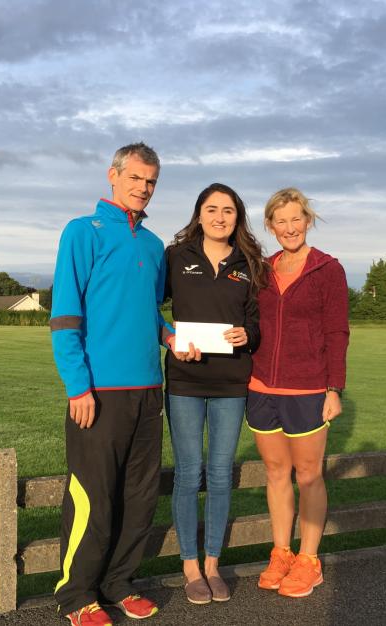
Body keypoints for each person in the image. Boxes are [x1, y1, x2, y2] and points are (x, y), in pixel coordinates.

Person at [49, 143, 176, 626]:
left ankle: (119, 584)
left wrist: (173, 339)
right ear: (113, 176)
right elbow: (65, 315)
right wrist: (77, 386)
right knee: (93, 496)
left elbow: (149, 314)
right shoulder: (83, 232)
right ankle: (76, 595)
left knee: (140, 496)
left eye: (151, 182)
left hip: (148, 392)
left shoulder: (152, 244)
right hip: (98, 394)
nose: (144, 188)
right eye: (137, 178)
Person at [164, 183, 266, 605]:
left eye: (228, 210)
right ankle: (189, 566)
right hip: (185, 382)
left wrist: (248, 334)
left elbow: (257, 325)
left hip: (230, 384)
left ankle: (212, 564)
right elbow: (148, 308)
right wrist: (169, 338)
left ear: (238, 217)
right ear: (199, 214)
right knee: (189, 474)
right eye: (212, 209)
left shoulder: (250, 263)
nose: (220, 217)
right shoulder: (175, 257)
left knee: (221, 474)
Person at [246, 187, 349, 598]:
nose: (289, 228)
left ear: (308, 221)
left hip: (307, 389)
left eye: (296, 219)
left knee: (308, 475)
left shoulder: (328, 269)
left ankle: (309, 560)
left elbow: (337, 332)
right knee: (275, 474)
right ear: (270, 226)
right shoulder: (262, 270)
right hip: (260, 389)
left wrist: (334, 389)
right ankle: (282, 552)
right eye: (280, 221)